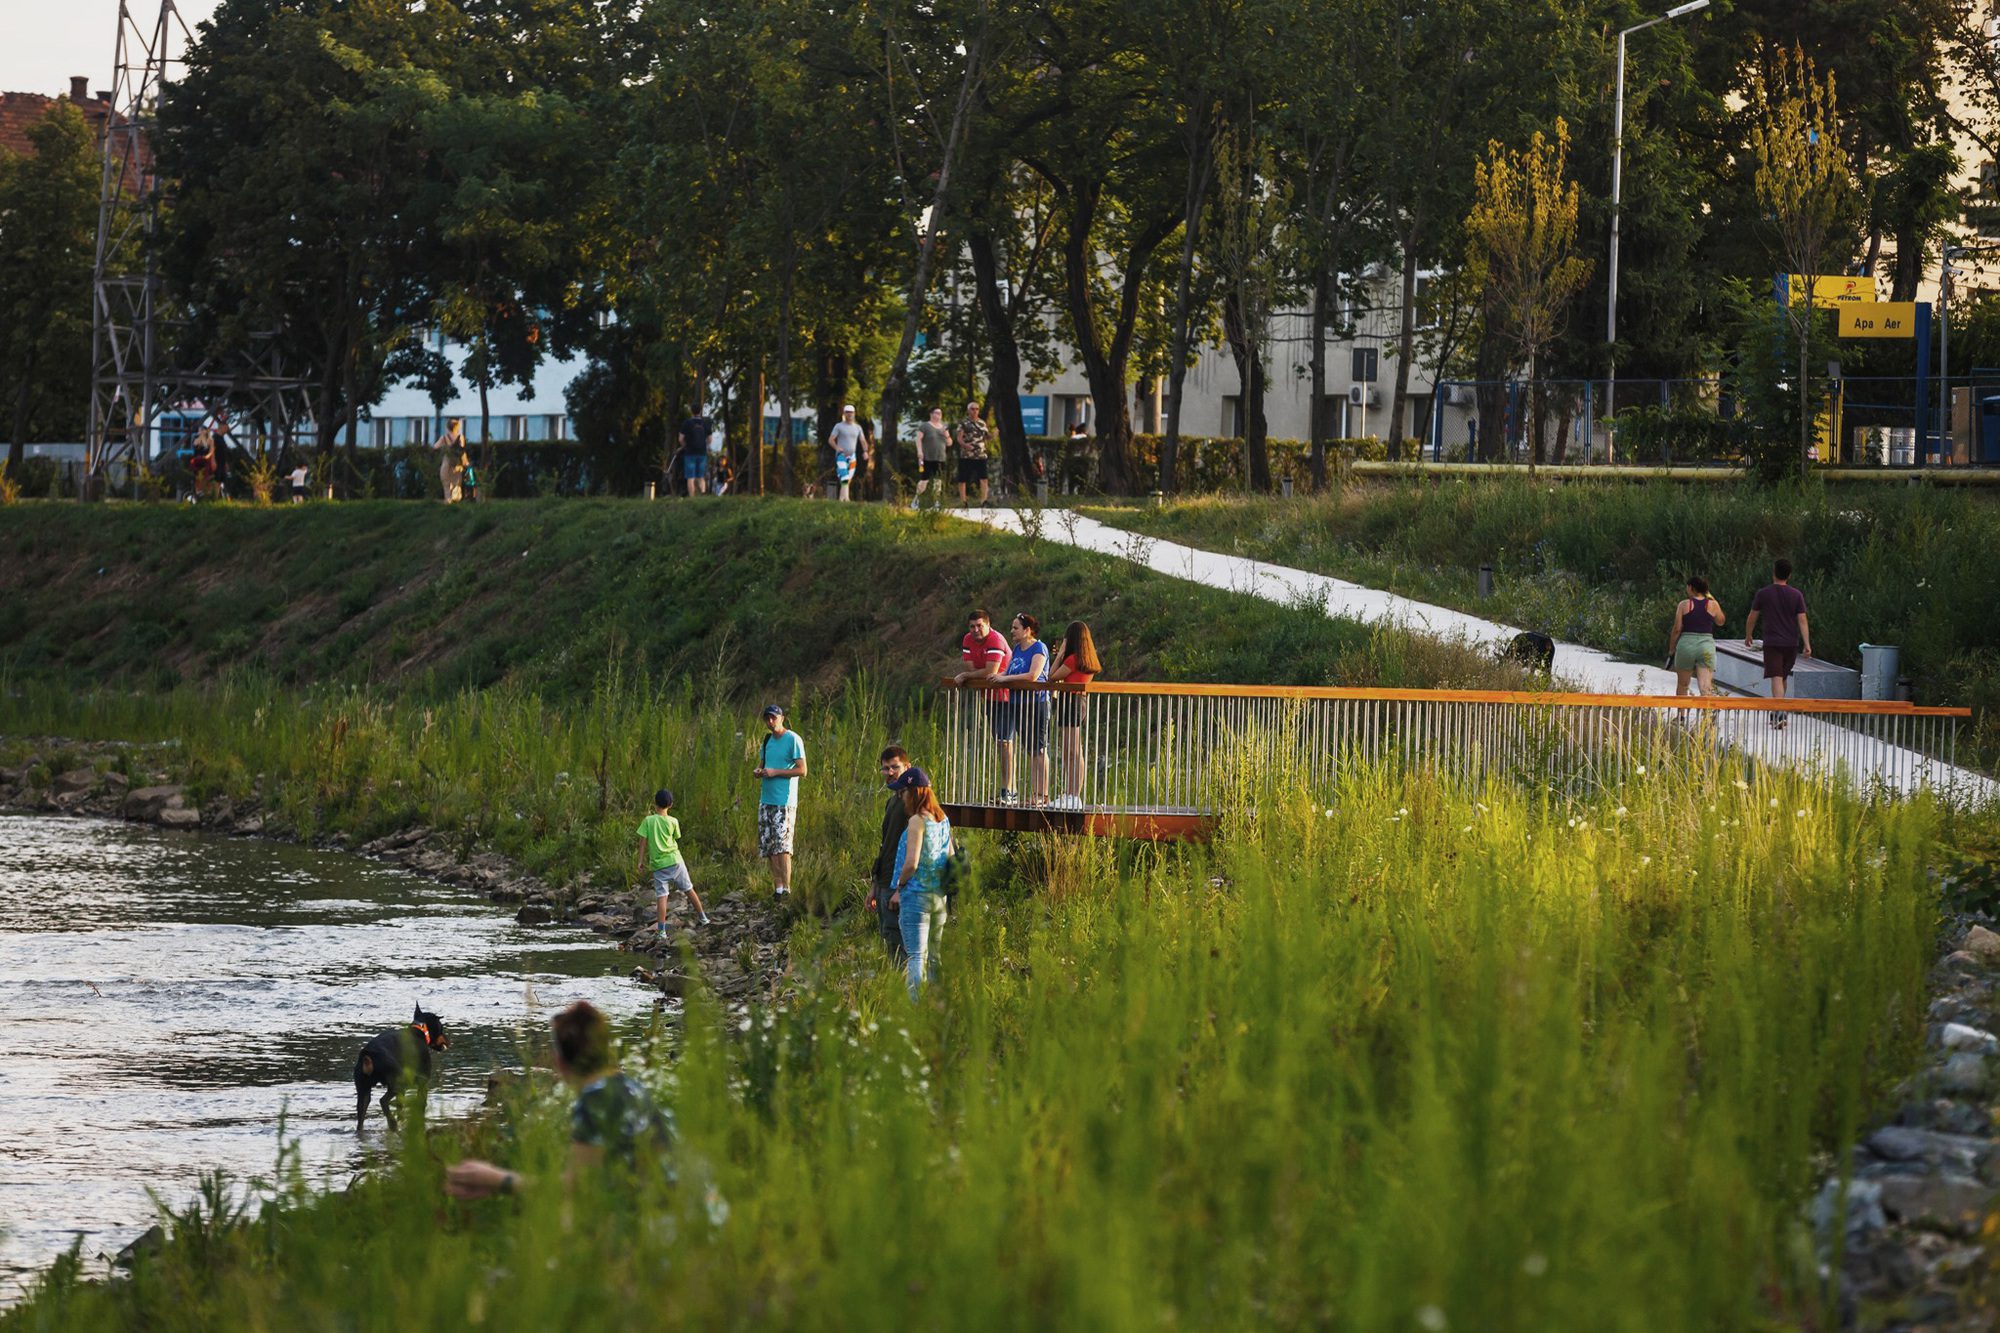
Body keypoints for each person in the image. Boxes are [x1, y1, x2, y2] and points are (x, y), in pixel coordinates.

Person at [443, 1000, 672, 1200]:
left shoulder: (595, 1099)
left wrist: (497, 1180)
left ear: (560, 1063)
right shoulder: (631, 1087)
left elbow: (575, 1187)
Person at [886, 767, 953, 999]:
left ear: (913, 792)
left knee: (916, 955)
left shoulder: (917, 821)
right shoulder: (943, 819)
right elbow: (951, 858)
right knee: (934, 956)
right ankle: (937, 1003)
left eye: (903, 792)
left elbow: (911, 863)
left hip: (916, 897)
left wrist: (899, 887)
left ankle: (915, 1008)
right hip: (939, 897)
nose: (901, 797)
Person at [1744, 558, 1813, 727]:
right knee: (1782, 676)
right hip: (1791, 643)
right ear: (1789, 575)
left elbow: (1753, 615)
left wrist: (1748, 634)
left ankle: (1780, 714)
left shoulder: (1764, 593)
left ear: (1773, 572)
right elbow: (1802, 620)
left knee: (1776, 677)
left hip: (1773, 642)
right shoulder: (1796, 595)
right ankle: (1777, 711)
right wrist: (1807, 644)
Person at [634, 787, 710, 940]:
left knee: (662, 897)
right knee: (689, 889)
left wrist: (640, 861)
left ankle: (661, 932)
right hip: (675, 861)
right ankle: (703, 918)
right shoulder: (673, 821)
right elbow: (676, 838)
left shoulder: (648, 821)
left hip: (658, 865)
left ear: (655, 804)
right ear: (671, 805)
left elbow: (642, 842)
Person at [993, 613, 1051, 806]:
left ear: (1027, 630)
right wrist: (997, 676)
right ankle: (1035, 794)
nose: (1012, 631)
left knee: (1039, 749)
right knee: (1030, 749)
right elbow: (1009, 672)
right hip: (1018, 704)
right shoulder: (1017, 649)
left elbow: (1033, 675)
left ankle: (1042, 794)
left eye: (1015, 628)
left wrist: (1005, 679)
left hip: (1036, 703)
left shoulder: (1038, 647)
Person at [953, 609, 1010, 801]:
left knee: (1005, 743)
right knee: (999, 742)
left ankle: (1008, 790)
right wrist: (974, 673)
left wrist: (967, 675)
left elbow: (989, 671)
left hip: (1008, 696)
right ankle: (1005, 789)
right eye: (972, 626)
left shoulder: (995, 640)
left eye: (980, 626)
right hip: (990, 697)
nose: (976, 630)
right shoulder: (968, 640)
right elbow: (974, 668)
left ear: (988, 624)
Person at [751, 705, 806, 898]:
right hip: (766, 800)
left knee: (783, 846)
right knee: (769, 846)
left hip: (784, 801)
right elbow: (763, 764)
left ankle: (788, 889)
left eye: (773, 718)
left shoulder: (793, 739)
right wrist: (759, 771)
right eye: (767, 718)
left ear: (782, 718)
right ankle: (778, 888)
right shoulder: (767, 740)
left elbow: (802, 770)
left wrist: (776, 772)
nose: (770, 722)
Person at [1047, 620, 1101, 809]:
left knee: (1073, 750)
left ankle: (1073, 795)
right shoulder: (1088, 659)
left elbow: (1052, 676)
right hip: (1078, 701)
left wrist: (1060, 654)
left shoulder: (1072, 659)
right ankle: (1070, 793)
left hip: (1071, 701)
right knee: (1071, 749)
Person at [871, 747, 915, 959]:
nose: (889, 772)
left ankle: (906, 990)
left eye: (895, 767)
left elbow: (916, 854)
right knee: (889, 939)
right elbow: (885, 845)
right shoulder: (892, 801)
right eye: (885, 768)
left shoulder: (913, 805)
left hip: (899, 885)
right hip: (884, 881)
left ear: (907, 767)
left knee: (901, 945)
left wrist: (901, 889)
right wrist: (874, 886)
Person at [1668, 575, 1725, 698]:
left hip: (1686, 646)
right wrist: (1712, 599)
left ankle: (1681, 716)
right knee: (1705, 687)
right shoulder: (1713, 604)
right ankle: (1706, 716)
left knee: (1683, 685)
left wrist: (1672, 649)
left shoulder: (1683, 605)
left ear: (1691, 588)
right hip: (1706, 646)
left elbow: (1677, 629)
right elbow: (1721, 621)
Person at [955, 400, 992, 507]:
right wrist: (966, 446)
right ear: (968, 410)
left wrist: (994, 434)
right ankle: (963, 501)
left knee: (984, 478)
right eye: (972, 409)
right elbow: (959, 438)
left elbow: (986, 437)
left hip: (981, 455)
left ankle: (983, 501)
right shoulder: (963, 422)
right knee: (963, 479)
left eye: (977, 409)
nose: (975, 411)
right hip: (967, 456)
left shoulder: (982, 423)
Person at [915, 408, 952, 508]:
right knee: (924, 480)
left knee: (938, 481)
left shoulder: (944, 427)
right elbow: (918, 439)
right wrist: (919, 452)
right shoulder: (925, 426)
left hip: (940, 458)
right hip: (927, 457)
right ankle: (916, 500)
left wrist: (946, 435)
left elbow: (949, 443)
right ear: (931, 414)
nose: (939, 415)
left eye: (941, 413)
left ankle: (936, 502)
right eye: (937, 413)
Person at [828, 404, 865, 501]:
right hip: (841, 455)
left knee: (848, 478)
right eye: (847, 412)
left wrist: (865, 451)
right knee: (844, 476)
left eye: (851, 412)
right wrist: (836, 447)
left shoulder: (858, 428)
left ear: (854, 413)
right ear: (844, 413)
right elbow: (831, 440)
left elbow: (863, 441)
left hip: (852, 456)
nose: (849, 414)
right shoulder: (839, 426)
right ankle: (846, 499)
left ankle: (841, 498)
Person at [679, 411, 713, 496]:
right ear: (700, 412)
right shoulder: (704, 423)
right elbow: (710, 439)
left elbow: (681, 439)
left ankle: (692, 497)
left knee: (690, 477)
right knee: (701, 477)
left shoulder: (687, 423)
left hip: (690, 453)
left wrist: (685, 446)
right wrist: (704, 446)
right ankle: (702, 495)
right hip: (702, 453)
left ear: (691, 411)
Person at [435, 420, 467, 503]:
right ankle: (456, 499)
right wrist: (465, 462)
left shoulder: (444, 437)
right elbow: (462, 451)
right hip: (457, 463)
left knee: (446, 481)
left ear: (447, 427)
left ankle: (448, 499)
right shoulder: (461, 437)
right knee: (456, 481)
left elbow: (435, 447)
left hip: (447, 462)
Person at [188, 426, 218, 501]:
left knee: (206, 477)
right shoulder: (196, 439)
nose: (200, 431)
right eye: (199, 430)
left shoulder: (210, 440)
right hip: (197, 460)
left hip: (205, 461)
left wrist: (212, 460)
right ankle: (197, 493)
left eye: (202, 430)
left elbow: (211, 451)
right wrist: (201, 437)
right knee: (197, 478)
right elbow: (195, 445)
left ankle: (206, 493)